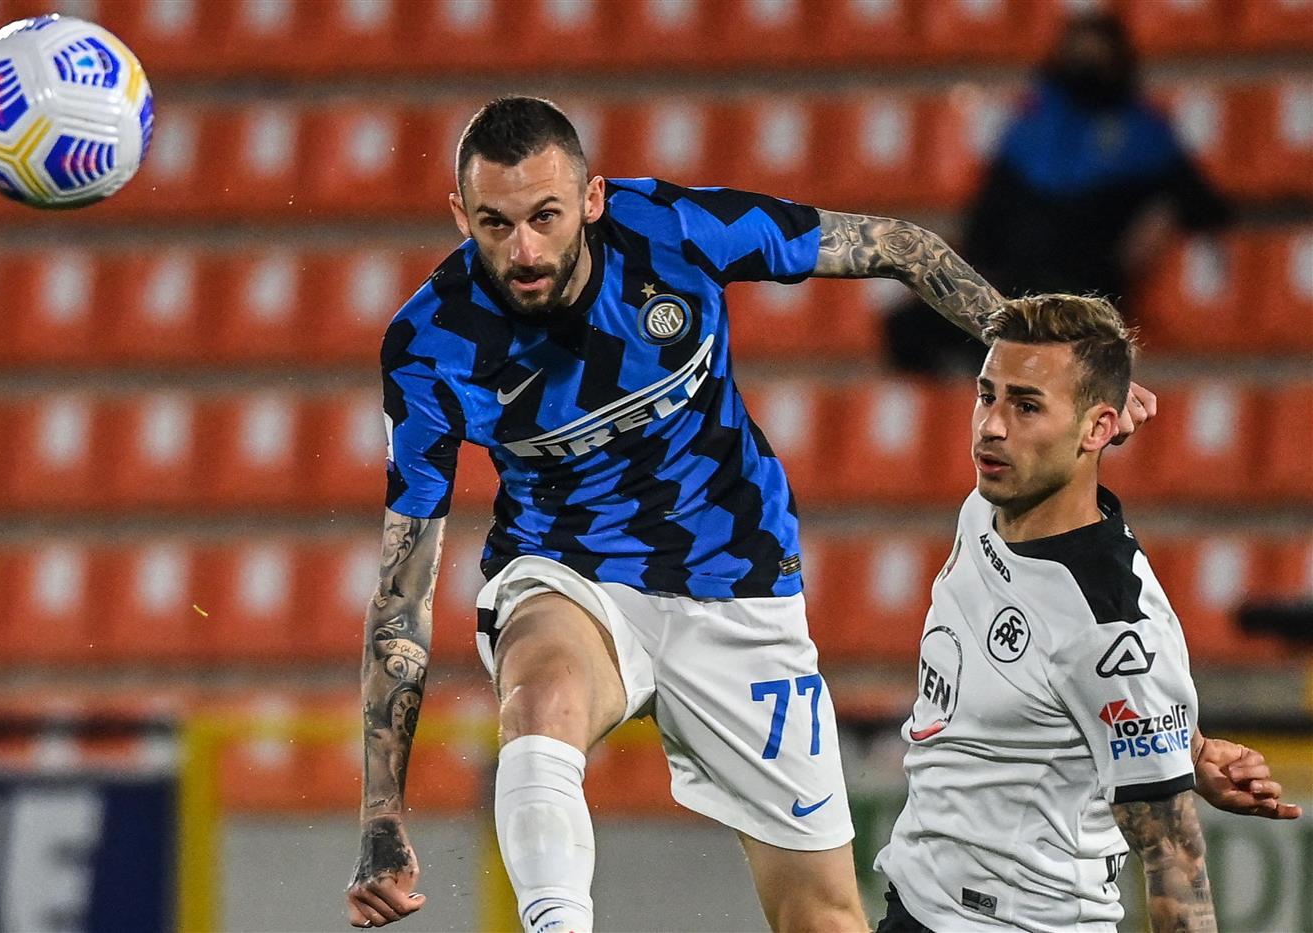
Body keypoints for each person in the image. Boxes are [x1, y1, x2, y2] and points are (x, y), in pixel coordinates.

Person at [342, 96, 1156, 932]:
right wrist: (380, 814)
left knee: (823, 916)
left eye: (545, 216)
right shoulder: (432, 342)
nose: (523, 250)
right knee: (540, 692)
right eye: (495, 223)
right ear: (459, 215)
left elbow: (901, 249)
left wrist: (1050, 365)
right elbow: (403, 589)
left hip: (738, 582)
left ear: (592, 199)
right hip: (573, 569)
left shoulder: (673, 230)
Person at [874, 294, 1302, 933]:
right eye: (986, 395)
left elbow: (1174, 863)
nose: (991, 426)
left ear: (1098, 429)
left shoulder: (1112, 628)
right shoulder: (987, 505)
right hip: (915, 906)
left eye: (1025, 406)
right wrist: (1190, 748)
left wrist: (1168, 760)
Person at [885, 12, 1230, 376]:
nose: (1086, 65)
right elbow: (986, 219)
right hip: (1008, 284)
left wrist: (1162, 216)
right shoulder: (1030, 126)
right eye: (1078, 53)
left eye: (1096, 55)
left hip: (1084, 290)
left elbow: (1200, 202)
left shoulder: (1143, 134)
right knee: (908, 326)